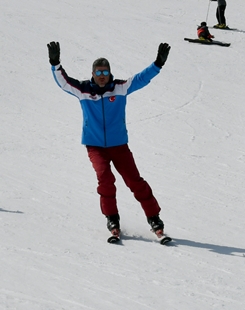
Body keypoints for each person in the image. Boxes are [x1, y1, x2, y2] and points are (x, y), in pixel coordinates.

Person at [49, 41, 172, 241]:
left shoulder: (120, 88)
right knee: (105, 179)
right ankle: (112, 218)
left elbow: (141, 78)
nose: (102, 76)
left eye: (105, 72)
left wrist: (158, 63)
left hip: (119, 146)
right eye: (98, 73)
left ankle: (154, 218)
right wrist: (55, 64)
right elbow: (64, 82)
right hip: (95, 146)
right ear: (92, 74)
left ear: (110, 73)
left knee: (134, 181)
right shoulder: (83, 91)